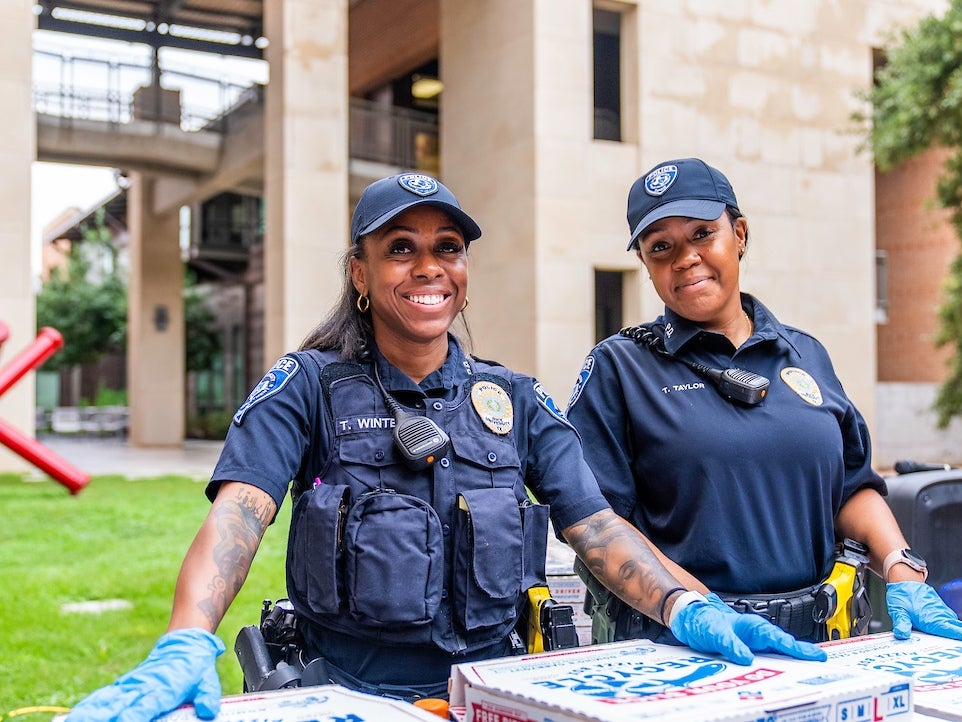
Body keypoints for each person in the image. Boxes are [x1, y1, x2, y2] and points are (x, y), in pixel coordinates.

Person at [66, 172, 826, 722]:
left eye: (448, 246)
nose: (429, 265)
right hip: (346, 697)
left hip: (493, 696)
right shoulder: (307, 385)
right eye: (401, 247)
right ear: (360, 274)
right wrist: (184, 641)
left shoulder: (516, 399)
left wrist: (684, 605)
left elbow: (594, 526)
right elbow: (240, 516)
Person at [565, 157, 962, 649]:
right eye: (661, 247)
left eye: (701, 234)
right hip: (684, 644)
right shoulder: (620, 368)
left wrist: (902, 570)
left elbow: (852, 485)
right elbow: (594, 524)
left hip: (821, 639)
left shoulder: (805, 354)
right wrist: (690, 607)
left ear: (739, 234)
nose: (684, 258)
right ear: (646, 266)